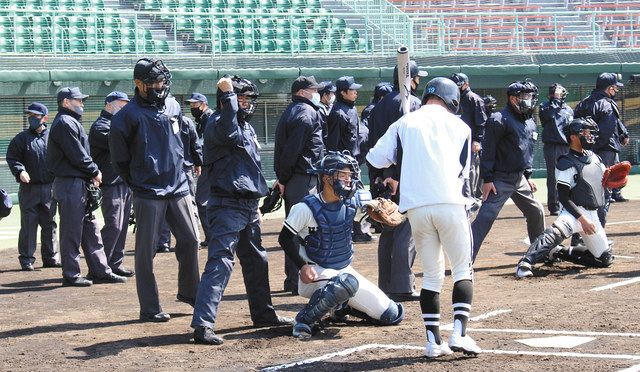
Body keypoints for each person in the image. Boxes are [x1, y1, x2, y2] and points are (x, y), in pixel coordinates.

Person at [367, 77, 481, 357]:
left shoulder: (405, 123)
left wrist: (404, 147)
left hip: (416, 208)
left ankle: (433, 342)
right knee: (462, 271)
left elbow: (375, 159)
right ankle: (459, 334)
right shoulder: (461, 127)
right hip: (451, 203)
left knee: (431, 277)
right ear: (452, 99)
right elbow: (463, 172)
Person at [191, 76, 293, 345]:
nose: (246, 104)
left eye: (248, 99)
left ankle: (263, 314)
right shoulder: (218, 121)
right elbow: (227, 131)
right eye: (241, 98)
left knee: (257, 260)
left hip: (246, 205)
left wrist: (256, 201)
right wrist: (227, 97)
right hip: (226, 204)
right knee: (221, 262)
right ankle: (202, 325)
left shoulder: (244, 126)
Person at [109, 58, 200, 322]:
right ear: (138, 84)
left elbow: (183, 136)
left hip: (178, 187)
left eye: (162, 81)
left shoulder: (172, 105)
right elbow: (120, 160)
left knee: (191, 240)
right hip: (149, 192)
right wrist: (138, 183)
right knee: (146, 252)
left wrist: (188, 163)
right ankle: (149, 307)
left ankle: (190, 293)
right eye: (153, 83)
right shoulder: (127, 117)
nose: (160, 86)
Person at [278, 151, 404, 339]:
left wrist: (381, 219)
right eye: (342, 175)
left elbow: (376, 222)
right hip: (315, 272)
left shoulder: (352, 203)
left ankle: (339, 307)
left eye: (350, 176)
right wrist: (302, 266)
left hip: (344, 272)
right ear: (327, 178)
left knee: (391, 314)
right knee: (345, 282)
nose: (348, 180)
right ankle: (304, 321)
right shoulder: (305, 208)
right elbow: (285, 238)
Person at [47, 87, 127, 287]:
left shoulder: (70, 121)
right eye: (78, 100)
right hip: (69, 182)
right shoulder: (65, 122)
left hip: (78, 182)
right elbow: (76, 154)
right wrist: (94, 170)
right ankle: (71, 274)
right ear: (66, 102)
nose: (82, 103)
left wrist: (90, 174)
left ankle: (100, 270)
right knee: (72, 231)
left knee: (91, 228)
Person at [515, 117, 614, 278]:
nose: (590, 136)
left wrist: (615, 182)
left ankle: (558, 252)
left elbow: (604, 182)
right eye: (585, 132)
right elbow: (563, 197)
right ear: (573, 136)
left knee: (604, 258)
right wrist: (582, 219)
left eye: (590, 132)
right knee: (555, 233)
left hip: (592, 215)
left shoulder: (595, 158)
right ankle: (525, 262)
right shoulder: (566, 162)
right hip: (573, 212)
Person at [366, 60, 428, 301]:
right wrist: (395, 175)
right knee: (405, 230)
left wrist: (382, 175)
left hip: (382, 175)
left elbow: (375, 144)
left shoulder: (379, 105)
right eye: (416, 77)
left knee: (389, 231)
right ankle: (402, 285)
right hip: (402, 177)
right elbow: (404, 145)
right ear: (409, 78)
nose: (418, 81)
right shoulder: (411, 104)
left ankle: (387, 284)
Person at [471, 81, 545, 262]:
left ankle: (539, 252)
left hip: (519, 179)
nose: (529, 100)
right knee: (485, 218)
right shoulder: (498, 119)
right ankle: (464, 259)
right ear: (513, 99)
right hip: (499, 180)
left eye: (530, 96)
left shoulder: (529, 120)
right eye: (525, 96)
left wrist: (527, 176)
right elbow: (487, 151)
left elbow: (527, 150)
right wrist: (487, 179)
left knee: (536, 211)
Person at [273, 76, 325, 295]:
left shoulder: (295, 110)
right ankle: (297, 279)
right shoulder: (306, 113)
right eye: (314, 89)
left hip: (297, 177)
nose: (317, 93)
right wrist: (284, 178)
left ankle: (294, 279)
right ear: (303, 92)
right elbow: (292, 151)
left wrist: (283, 178)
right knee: (301, 230)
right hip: (302, 178)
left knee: (297, 228)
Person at [6, 102, 59, 271]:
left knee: (49, 224)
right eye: (30, 116)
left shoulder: (54, 136)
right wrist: (20, 170)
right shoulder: (21, 138)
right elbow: (13, 158)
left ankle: (50, 257)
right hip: (29, 189)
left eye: (35, 116)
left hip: (50, 187)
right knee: (29, 224)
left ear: (45, 118)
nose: (32, 119)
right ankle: (27, 259)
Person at [574, 73, 630, 227]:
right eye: (615, 88)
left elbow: (574, 127)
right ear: (610, 88)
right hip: (604, 152)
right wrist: (595, 154)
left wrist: (586, 150)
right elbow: (605, 132)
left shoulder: (583, 103)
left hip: (581, 153)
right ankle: (597, 232)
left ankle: (580, 235)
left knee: (584, 192)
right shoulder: (607, 104)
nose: (616, 91)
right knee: (604, 193)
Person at [89, 92, 134, 278]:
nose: (125, 109)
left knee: (122, 225)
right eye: (121, 105)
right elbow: (121, 142)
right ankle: (101, 268)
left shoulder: (117, 125)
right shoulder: (100, 126)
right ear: (109, 104)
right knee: (114, 225)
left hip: (123, 181)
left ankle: (115, 263)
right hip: (109, 184)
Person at [156, 96, 203, 253]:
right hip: (183, 168)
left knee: (164, 204)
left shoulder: (158, 120)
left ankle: (163, 242)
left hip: (168, 169)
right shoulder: (186, 121)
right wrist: (198, 162)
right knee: (189, 204)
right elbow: (195, 144)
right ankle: (193, 238)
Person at [449, 73, 488, 203]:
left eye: (458, 85)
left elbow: (481, 123)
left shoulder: (474, 99)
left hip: (470, 141)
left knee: (469, 170)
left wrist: (477, 140)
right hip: (455, 141)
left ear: (466, 84)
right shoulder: (453, 98)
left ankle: (470, 198)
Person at [186, 92, 215, 247]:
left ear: (204, 104)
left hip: (210, 165)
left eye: (195, 104)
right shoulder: (200, 120)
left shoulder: (210, 118)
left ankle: (212, 236)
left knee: (202, 201)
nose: (192, 107)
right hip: (205, 165)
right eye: (191, 105)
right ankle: (212, 236)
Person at [540, 84, 573, 216]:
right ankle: (554, 205)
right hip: (553, 146)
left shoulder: (569, 109)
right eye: (556, 92)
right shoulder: (545, 106)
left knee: (569, 176)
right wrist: (555, 100)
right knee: (554, 177)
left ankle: (567, 203)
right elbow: (547, 117)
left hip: (567, 146)